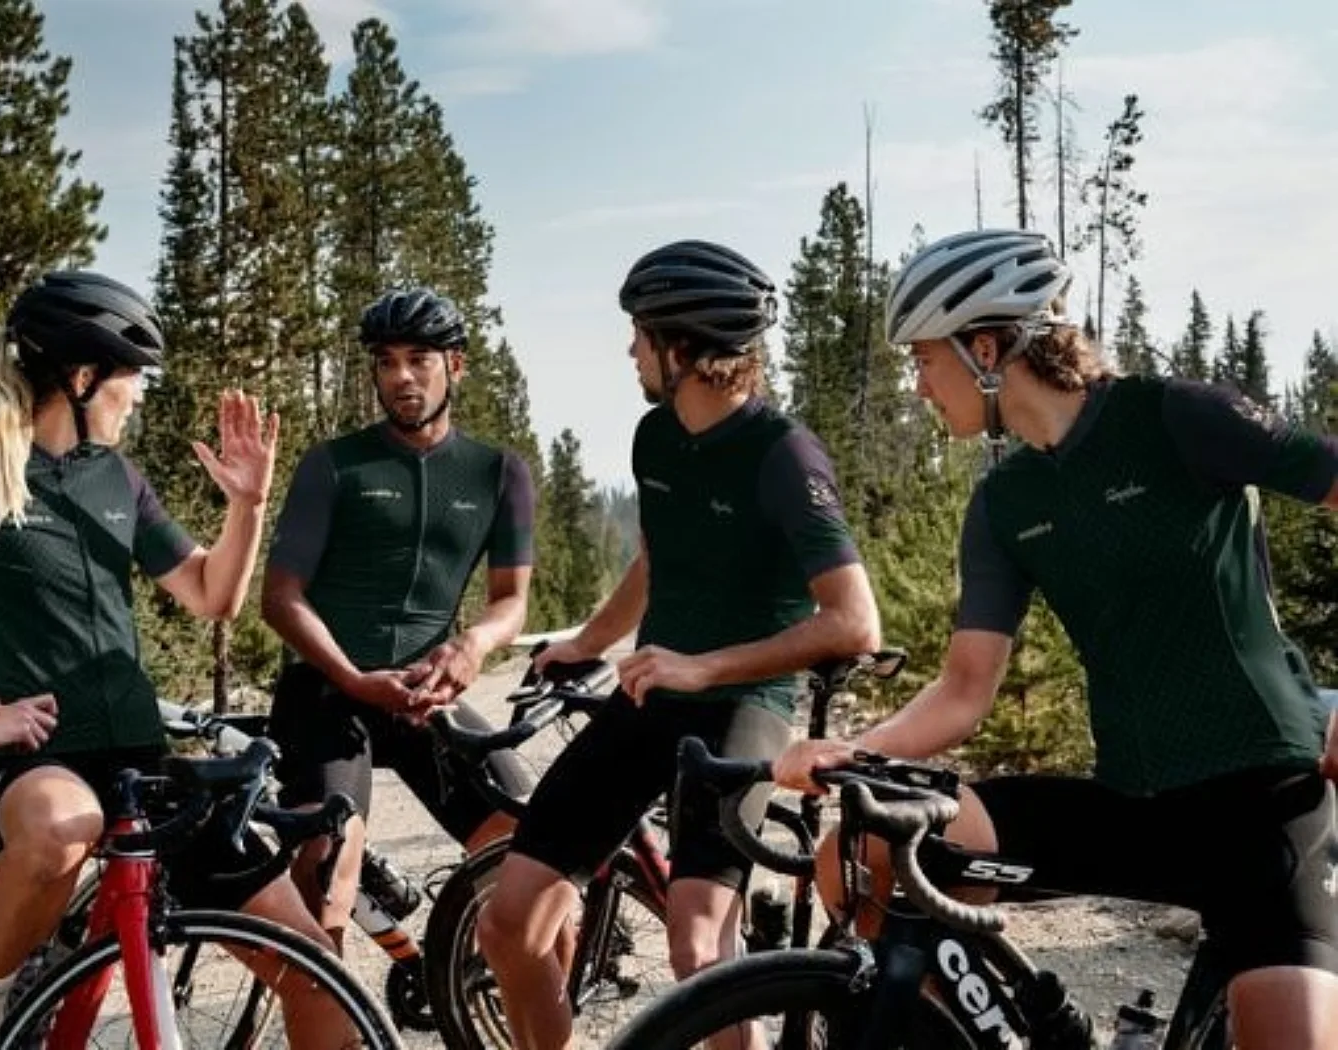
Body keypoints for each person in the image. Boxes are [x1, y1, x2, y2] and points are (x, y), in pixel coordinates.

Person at [774, 228, 1338, 1050]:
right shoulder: (1005, 502)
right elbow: (965, 688)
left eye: (925, 361)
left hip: (1263, 803)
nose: (919, 387)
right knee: (864, 851)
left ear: (987, 348)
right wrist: (850, 750)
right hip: (1132, 805)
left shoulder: (1178, 416)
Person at [0, 271, 350, 1050]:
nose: (138, 395)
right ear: (82, 378)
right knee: (63, 822)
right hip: (36, 763)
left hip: (140, 765)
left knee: (316, 973)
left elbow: (213, 595)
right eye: (131, 377)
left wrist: (246, 506)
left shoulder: (118, 479)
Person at [476, 240, 884, 1050]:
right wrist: (589, 640)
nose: (631, 351)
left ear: (683, 347)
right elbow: (659, 556)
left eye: (641, 334)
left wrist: (705, 665)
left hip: (742, 708)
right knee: (510, 923)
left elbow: (852, 621)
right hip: (652, 696)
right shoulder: (655, 438)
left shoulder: (783, 452)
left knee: (700, 949)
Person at [262, 287, 535, 946]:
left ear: (457, 367)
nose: (402, 377)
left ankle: (472, 991)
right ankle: (327, 1013)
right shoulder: (334, 466)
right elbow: (280, 597)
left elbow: (510, 599)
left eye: (420, 359)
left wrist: (473, 646)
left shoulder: (499, 473)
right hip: (326, 691)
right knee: (328, 868)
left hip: (422, 694)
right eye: (387, 362)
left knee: (529, 851)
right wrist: (354, 679)